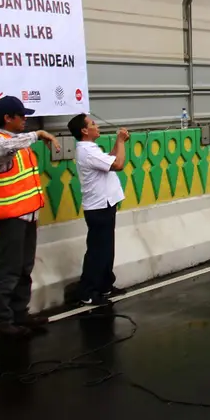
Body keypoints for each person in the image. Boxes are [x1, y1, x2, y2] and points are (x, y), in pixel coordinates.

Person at [0, 96, 62, 338]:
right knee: (8, 269)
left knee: (24, 267)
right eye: (21, 116)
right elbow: (7, 147)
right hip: (11, 218)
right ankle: (2, 319)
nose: (25, 120)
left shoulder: (18, 143)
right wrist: (40, 134)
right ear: (7, 118)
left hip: (28, 216)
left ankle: (19, 313)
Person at [67, 113, 130, 306]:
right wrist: (121, 140)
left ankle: (104, 285)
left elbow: (110, 159)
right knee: (97, 251)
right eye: (93, 123)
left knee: (106, 249)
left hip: (106, 204)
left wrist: (117, 145)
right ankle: (87, 291)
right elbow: (118, 164)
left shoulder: (91, 149)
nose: (98, 126)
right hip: (98, 207)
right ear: (85, 130)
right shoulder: (87, 151)